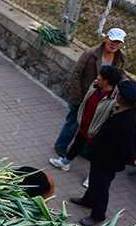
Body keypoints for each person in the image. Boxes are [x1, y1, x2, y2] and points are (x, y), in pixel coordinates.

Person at [70, 80, 136, 226]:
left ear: (120, 97)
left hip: (108, 161)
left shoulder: (125, 123)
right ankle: (88, 200)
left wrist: (131, 158)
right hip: (100, 156)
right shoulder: (126, 112)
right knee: (95, 181)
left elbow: (127, 146)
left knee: (101, 187)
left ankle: (98, 214)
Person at [54, 28, 127, 157]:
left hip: (101, 99)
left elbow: (121, 75)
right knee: (74, 121)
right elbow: (76, 74)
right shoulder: (90, 54)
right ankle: (61, 146)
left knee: (92, 125)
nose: (114, 44)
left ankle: (83, 149)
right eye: (112, 40)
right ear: (106, 39)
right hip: (84, 95)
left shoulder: (121, 57)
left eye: (118, 42)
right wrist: (77, 98)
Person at [49, 65, 122, 173]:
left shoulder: (114, 100)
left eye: (100, 76)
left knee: (95, 154)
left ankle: (91, 177)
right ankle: (65, 163)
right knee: (77, 144)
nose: (97, 77)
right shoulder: (95, 86)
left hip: (97, 132)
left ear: (107, 81)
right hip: (84, 125)